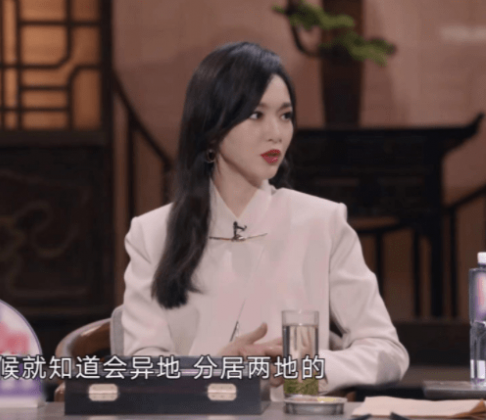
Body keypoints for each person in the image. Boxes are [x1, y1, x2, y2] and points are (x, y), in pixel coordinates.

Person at [121, 41, 409, 401]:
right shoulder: (151, 234)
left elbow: (388, 353)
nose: (276, 132)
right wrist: (212, 369)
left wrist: (309, 368)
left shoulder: (322, 222)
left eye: (285, 115)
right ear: (212, 128)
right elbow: (141, 368)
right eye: (256, 115)